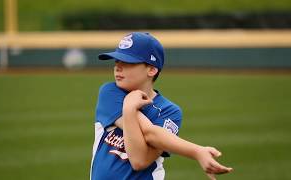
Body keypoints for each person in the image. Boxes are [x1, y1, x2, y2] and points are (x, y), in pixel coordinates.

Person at [90, 32, 233, 180]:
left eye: (128, 62)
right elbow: (147, 131)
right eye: (116, 61)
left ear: (151, 70)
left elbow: (139, 160)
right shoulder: (109, 93)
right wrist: (196, 151)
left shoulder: (168, 111)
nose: (118, 67)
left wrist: (129, 109)